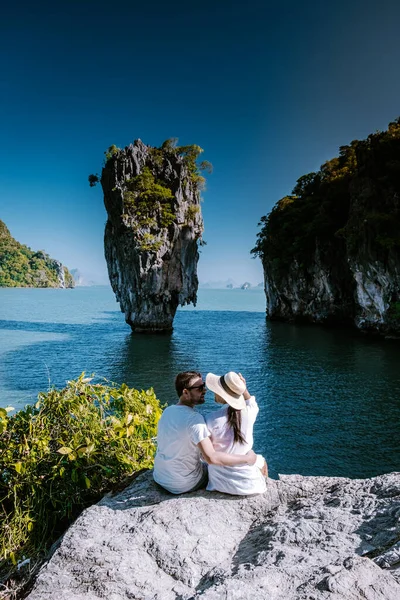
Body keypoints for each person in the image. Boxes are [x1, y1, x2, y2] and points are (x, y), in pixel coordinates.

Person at [153, 371, 257, 494]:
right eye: (200, 388)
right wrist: (247, 459)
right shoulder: (195, 420)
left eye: (204, 386)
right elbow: (211, 458)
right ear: (185, 392)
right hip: (183, 484)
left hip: (160, 477)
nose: (205, 390)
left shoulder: (167, 411)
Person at [204, 371, 267, 495]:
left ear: (223, 395)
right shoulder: (249, 412)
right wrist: (243, 389)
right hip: (250, 486)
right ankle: (265, 483)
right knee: (261, 460)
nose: (214, 392)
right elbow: (251, 402)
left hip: (220, 484)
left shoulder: (210, 419)